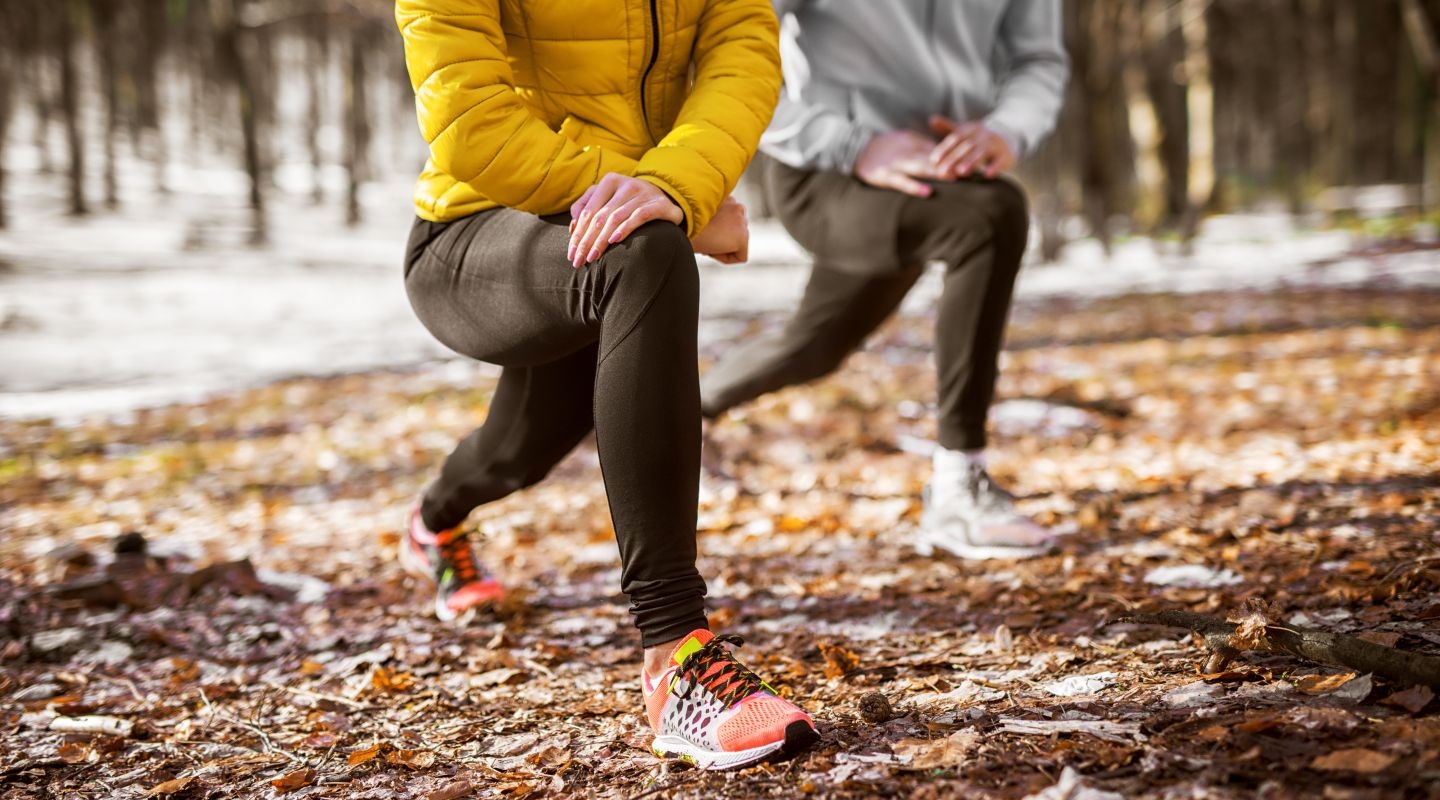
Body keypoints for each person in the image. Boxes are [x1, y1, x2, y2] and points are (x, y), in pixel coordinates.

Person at [393, 0, 817, 770]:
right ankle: (676, 658)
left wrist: (676, 186)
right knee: (646, 254)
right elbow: (467, 116)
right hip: (475, 232)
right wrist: (668, 213)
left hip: (621, 223)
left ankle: (436, 521)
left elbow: (742, 52)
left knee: (516, 452)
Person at [700, 0, 1070, 561]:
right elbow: (725, 58)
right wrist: (855, 145)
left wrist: (1005, 130)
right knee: (993, 216)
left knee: (816, 346)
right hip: (826, 172)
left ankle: (686, 413)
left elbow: (1038, 60)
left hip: (937, 176)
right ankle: (958, 487)